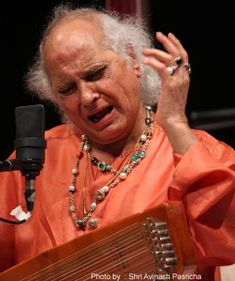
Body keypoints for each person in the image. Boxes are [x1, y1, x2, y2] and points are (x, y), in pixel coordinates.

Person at [0, 4, 235, 281]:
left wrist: (175, 124)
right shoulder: (34, 159)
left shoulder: (194, 151)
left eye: (95, 73)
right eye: (68, 88)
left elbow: (227, 238)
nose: (87, 96)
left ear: (133, 59)